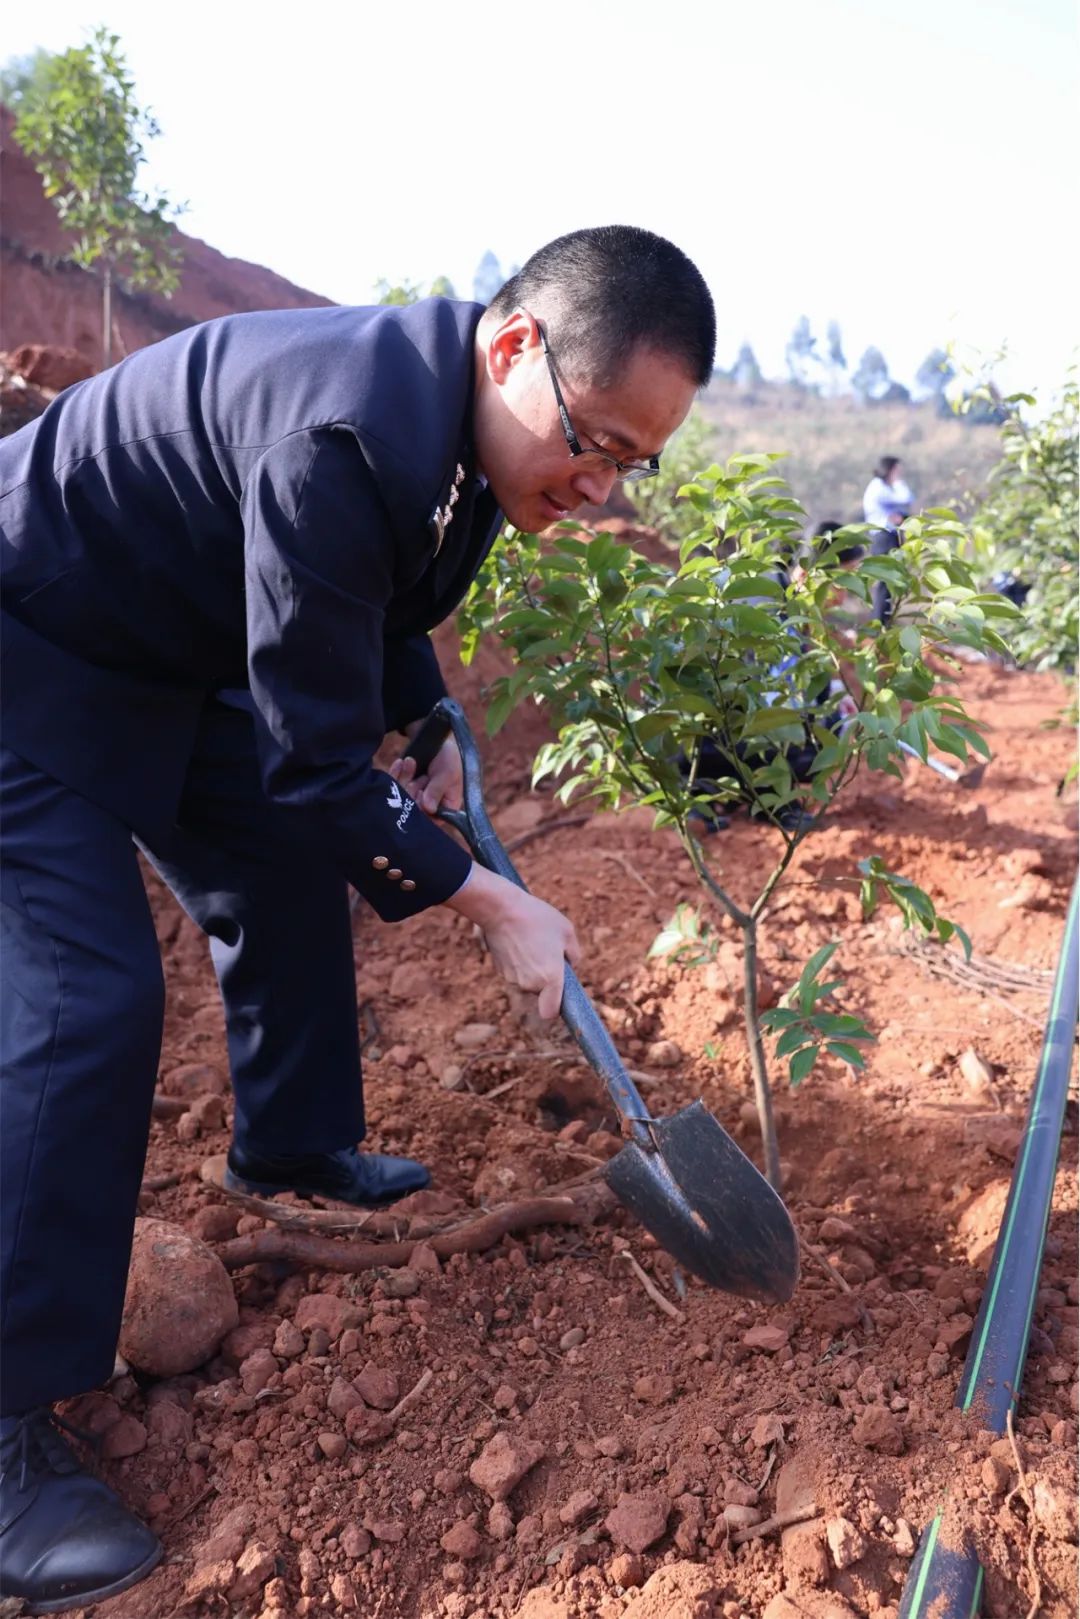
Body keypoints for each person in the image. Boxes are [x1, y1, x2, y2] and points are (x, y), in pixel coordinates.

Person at [0, 224, 716, 1613]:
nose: (600, 481)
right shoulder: (343, 427)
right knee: (85, 998)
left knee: (272, 854)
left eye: (635, 461)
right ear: (513, 349)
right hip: (21, 632)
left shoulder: (446, 424)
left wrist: (425, 707)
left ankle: (288, 1140)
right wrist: (492, 897)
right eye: (596, 440)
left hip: (144, 645)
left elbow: (369, 587)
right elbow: (315, 758)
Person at [862, 456, 913, 625]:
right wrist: (898, 481)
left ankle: (884, 621)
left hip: (888, 536)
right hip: (882, 537)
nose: (900, 473)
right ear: (889, 469)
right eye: (897, 470)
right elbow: (906, 498)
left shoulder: (883, 488)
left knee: (890, 582)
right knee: (885, 581)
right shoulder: (878, 486)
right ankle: (879, 623)